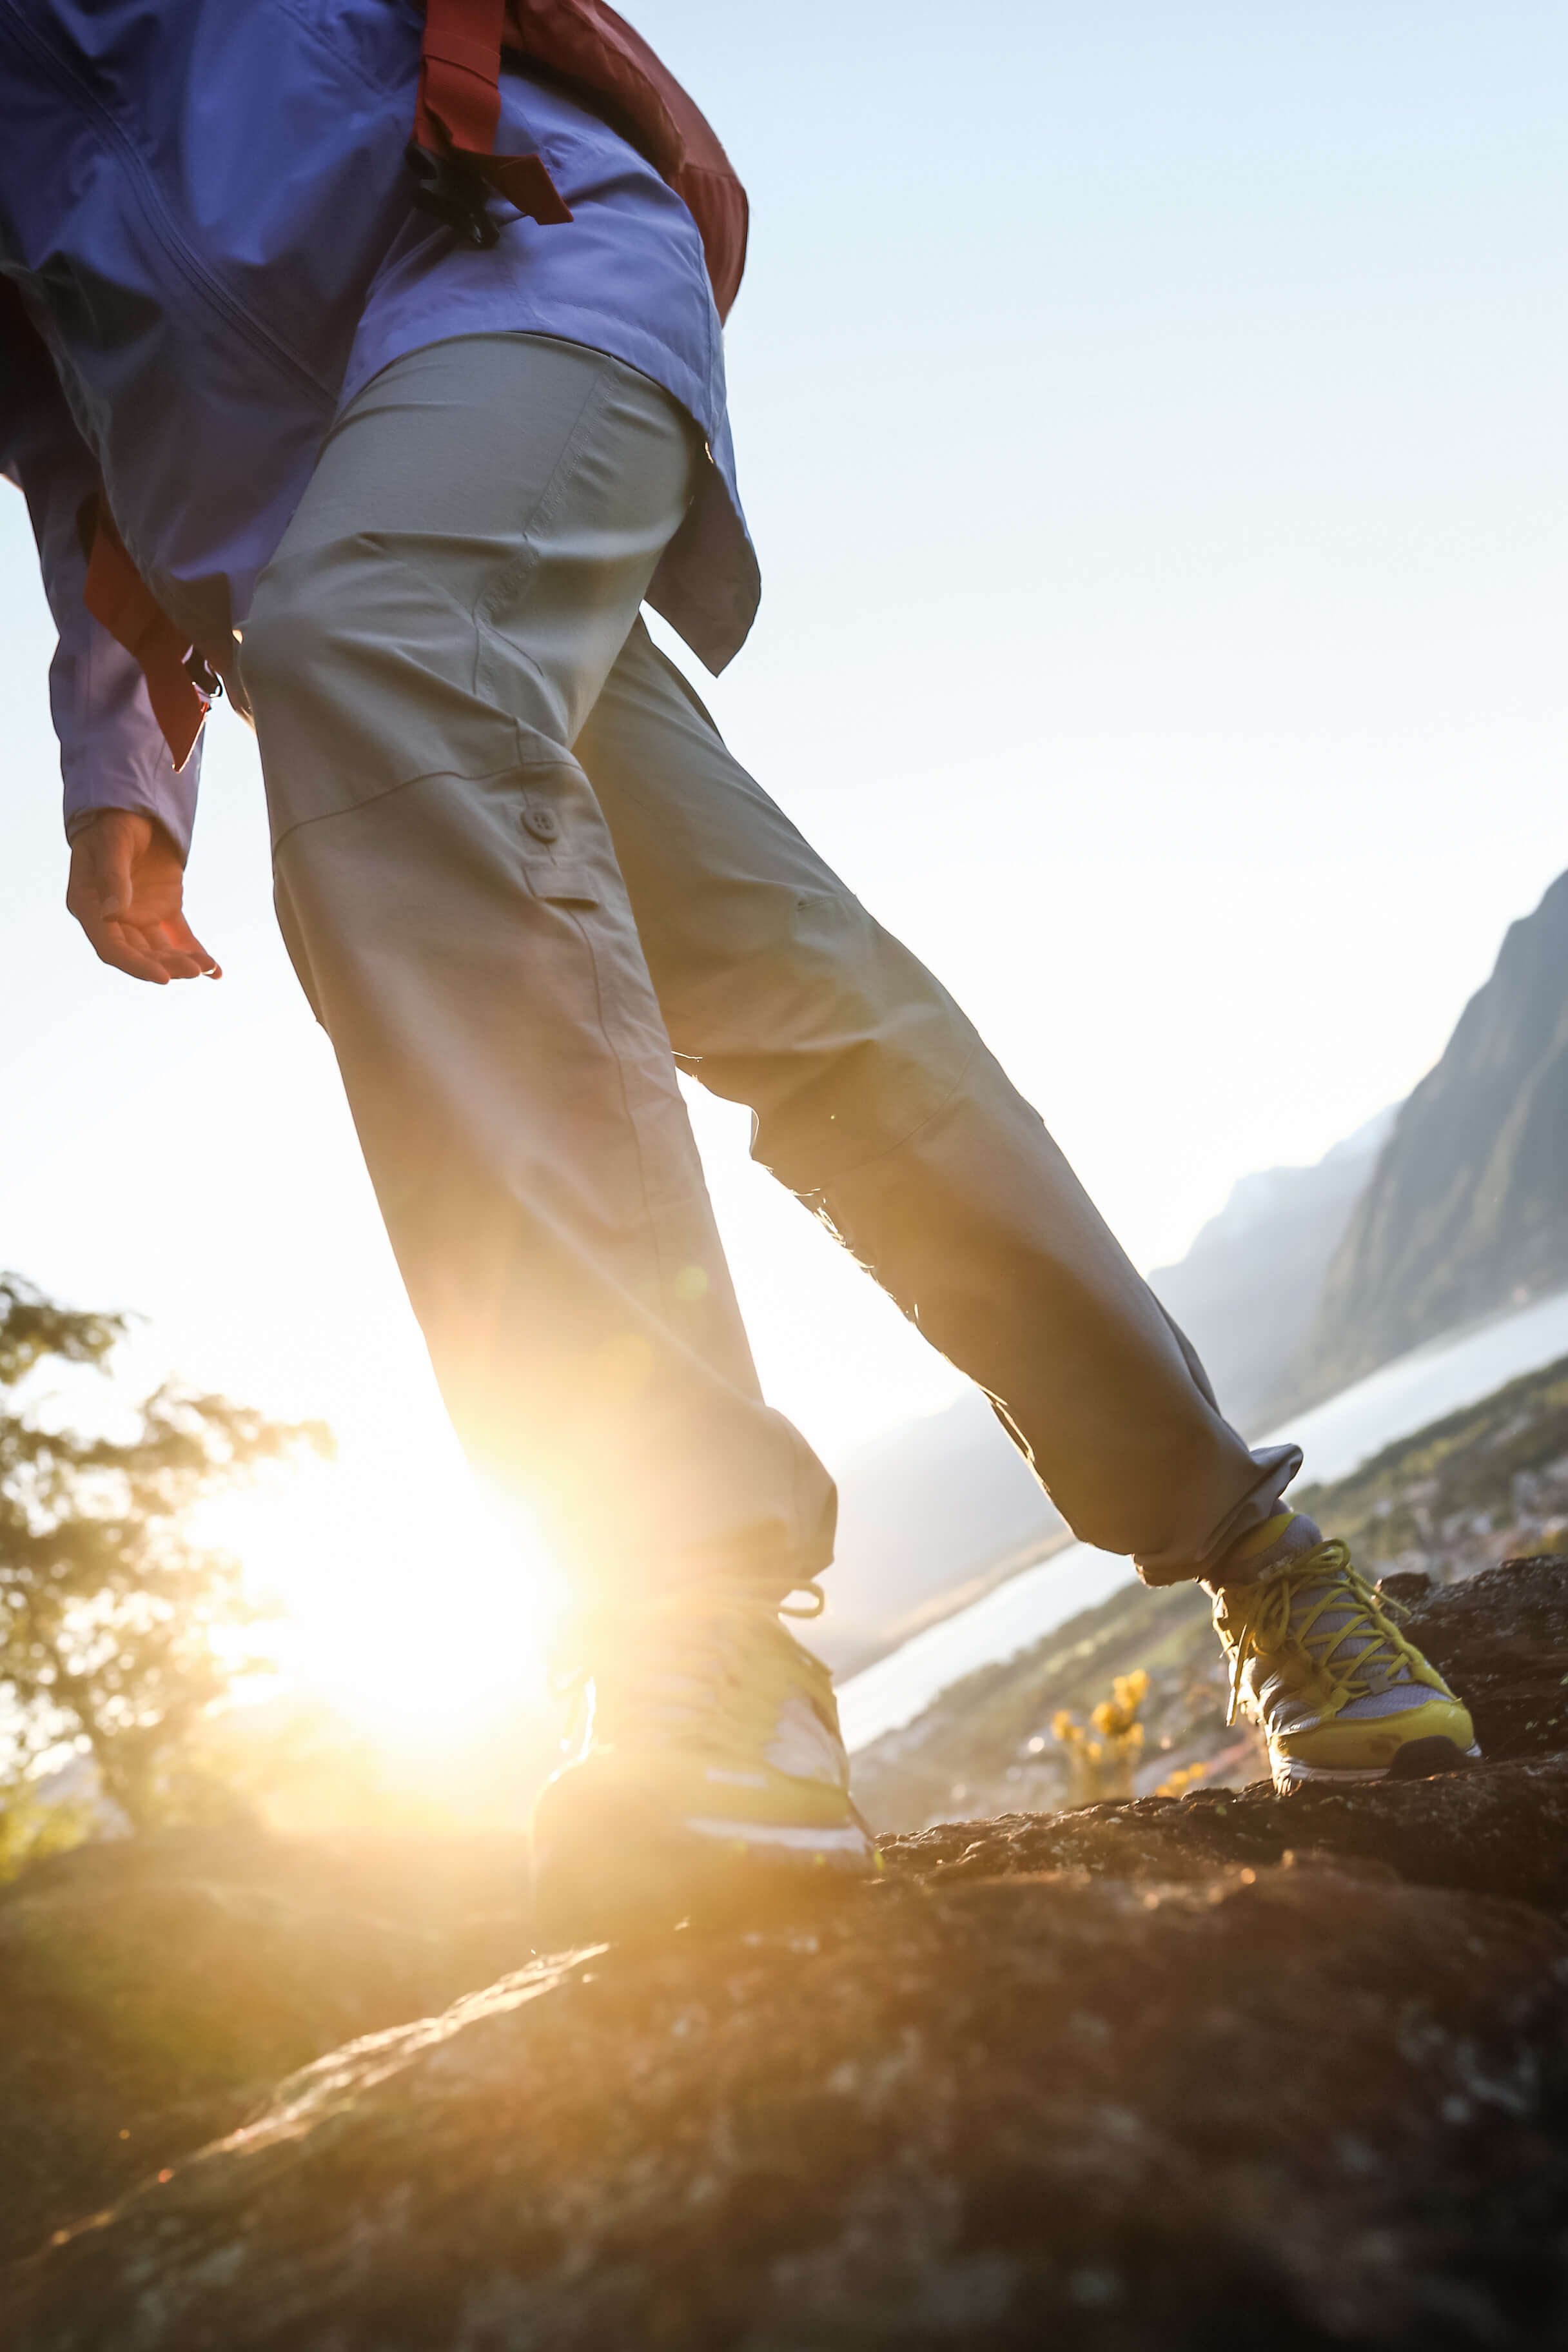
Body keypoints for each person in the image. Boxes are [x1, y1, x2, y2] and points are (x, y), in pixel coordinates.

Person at [1, 0, 1476, 1942]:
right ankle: (1265, 1555)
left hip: (511, 283)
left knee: (393, 657)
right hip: (301, 559)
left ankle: (686, 1599)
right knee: (797, 988)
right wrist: (119, 757)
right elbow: (69, 439)